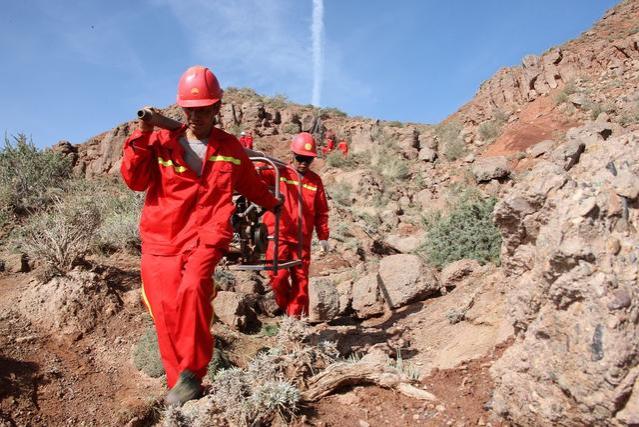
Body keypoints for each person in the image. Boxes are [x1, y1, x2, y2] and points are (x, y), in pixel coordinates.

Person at [120, 65, 281, 407]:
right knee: (164, 313)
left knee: (194, 286)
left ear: (218, 107)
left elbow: (251, 185)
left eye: (205, 109)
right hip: (161, 238)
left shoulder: (229, 147)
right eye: (191, 110)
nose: (197, 116)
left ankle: (193, 371)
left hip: (206, 235)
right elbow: (134, 181)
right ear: (182, 109)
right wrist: (143, 134)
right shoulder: (162, 140)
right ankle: (179, 385)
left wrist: (273, 204)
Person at [259, 132, 330, 317]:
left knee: (301, 281)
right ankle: (285, 308)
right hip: (278, 236)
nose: (303, 163)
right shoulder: (278, 171)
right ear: (293, 154)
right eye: (300, 158)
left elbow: (322, 212)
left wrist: (323, 237)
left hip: (301, 239)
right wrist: (259, 163)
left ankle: (294, 321)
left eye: (308, 159)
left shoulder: (315, 181)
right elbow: (255, 174)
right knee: (277, 276)